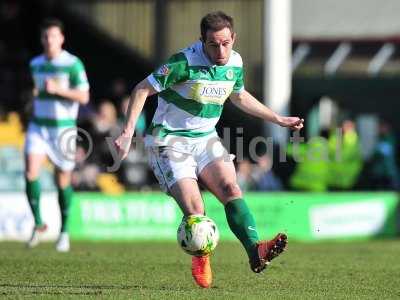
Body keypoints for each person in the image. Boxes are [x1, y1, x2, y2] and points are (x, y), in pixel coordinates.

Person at [115, 11, 303, 288]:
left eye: (226, 43)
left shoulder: (235, 62)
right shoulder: (184, 63)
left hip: (205, 138)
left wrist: (277, 118)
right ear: (201, 41)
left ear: (233, 38)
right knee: (196, 209)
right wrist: (127, 131)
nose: (221, 50)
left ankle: (255, 250)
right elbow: (142, 89)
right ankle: (201, 257)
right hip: (170, 140)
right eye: (213, 44)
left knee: (231, 189)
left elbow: (238, 94)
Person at [25, 18, 90, 252]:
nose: (48, 40)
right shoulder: (35, 64)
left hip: (63, 128)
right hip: (38, 127)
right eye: (45, 36)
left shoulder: (73, 64)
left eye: (53, 36)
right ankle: (39, 223)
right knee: (30, 171)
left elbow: (84, 97)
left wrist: (58, 90)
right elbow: (38, 92)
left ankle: (63, 232)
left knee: (62, 180)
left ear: (61, 38)